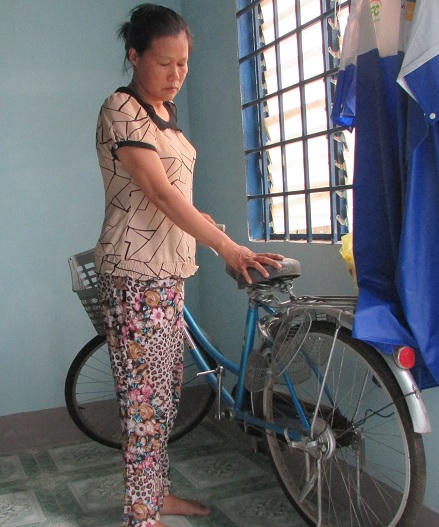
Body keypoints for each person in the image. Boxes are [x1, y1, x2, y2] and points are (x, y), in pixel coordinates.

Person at [93, 4, 282, 527]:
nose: (176, 74)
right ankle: (142, 516)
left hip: (167, 273)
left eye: (183, 64)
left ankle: (156, 497)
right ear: (135, 55)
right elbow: (157, 193)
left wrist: (209, 227)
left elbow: (175, 196)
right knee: (145, 402)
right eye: (164, 63)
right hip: (136, 277)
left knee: (164, 397)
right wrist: (228, 247)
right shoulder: (121, 108)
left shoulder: (166, 114)